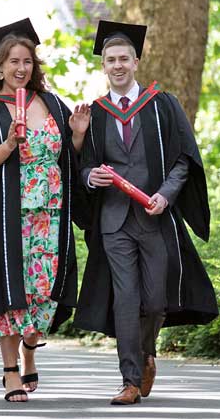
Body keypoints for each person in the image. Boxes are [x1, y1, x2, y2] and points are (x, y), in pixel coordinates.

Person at [74, 20, 218, 405]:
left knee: (155, 301)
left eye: (124, 58)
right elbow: (84, 165)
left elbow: (185, 159)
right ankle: (129, 380)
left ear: (136, 61)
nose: (118, 65)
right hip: (114, 222)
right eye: (110, 60)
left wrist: (166, 196)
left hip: (154, 217)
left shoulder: (162, 105)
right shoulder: (97, 114)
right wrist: (91, 178)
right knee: (125, 298)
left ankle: (147, 351)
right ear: (103, 66)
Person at [0, 18, 90, 403]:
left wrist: (79, 135)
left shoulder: (52, 103)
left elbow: (67, 156)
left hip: (49, 214)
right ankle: (10, 372)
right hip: (6, 216)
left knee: (42, 288)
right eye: (13, 61)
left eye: (28, 62)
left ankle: (30, 351)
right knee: (9, 290)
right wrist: (7, 145)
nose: (21, 68)